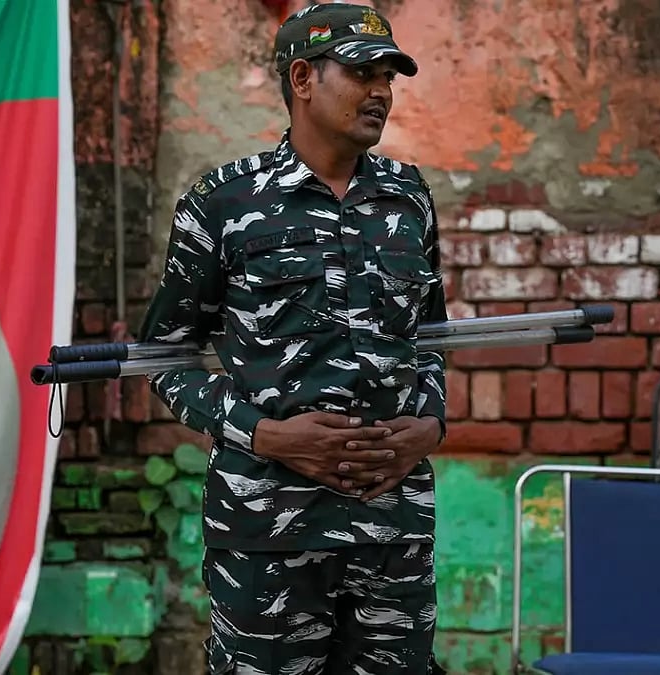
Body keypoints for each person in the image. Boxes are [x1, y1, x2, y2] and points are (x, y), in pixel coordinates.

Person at [139, 4, 448, 674]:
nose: (381, 91)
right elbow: (164, 357)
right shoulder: (224, 203)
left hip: (392, 528)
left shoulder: (408, 198)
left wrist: (430, 422)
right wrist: (264, 434)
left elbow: (429, 339)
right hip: (267, 532)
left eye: (389, 77)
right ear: (303, 78)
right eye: (363, 72)